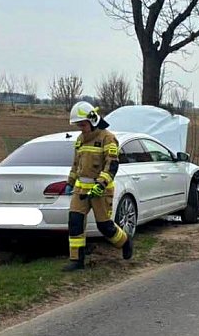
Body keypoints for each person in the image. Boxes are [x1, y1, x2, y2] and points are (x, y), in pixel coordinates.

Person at [63, 101, 132, 271]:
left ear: (93, 120)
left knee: (105, 226)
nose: (81, 128)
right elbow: (75, 164)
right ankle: (76, 260)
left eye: (83, 124)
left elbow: (112, 165)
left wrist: (100, 185)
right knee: (75, 221)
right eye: (78, 125)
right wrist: (70, 182)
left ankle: (125, 241)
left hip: (100, 191)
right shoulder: (80, 139)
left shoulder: (108, 138)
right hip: (80, 190)